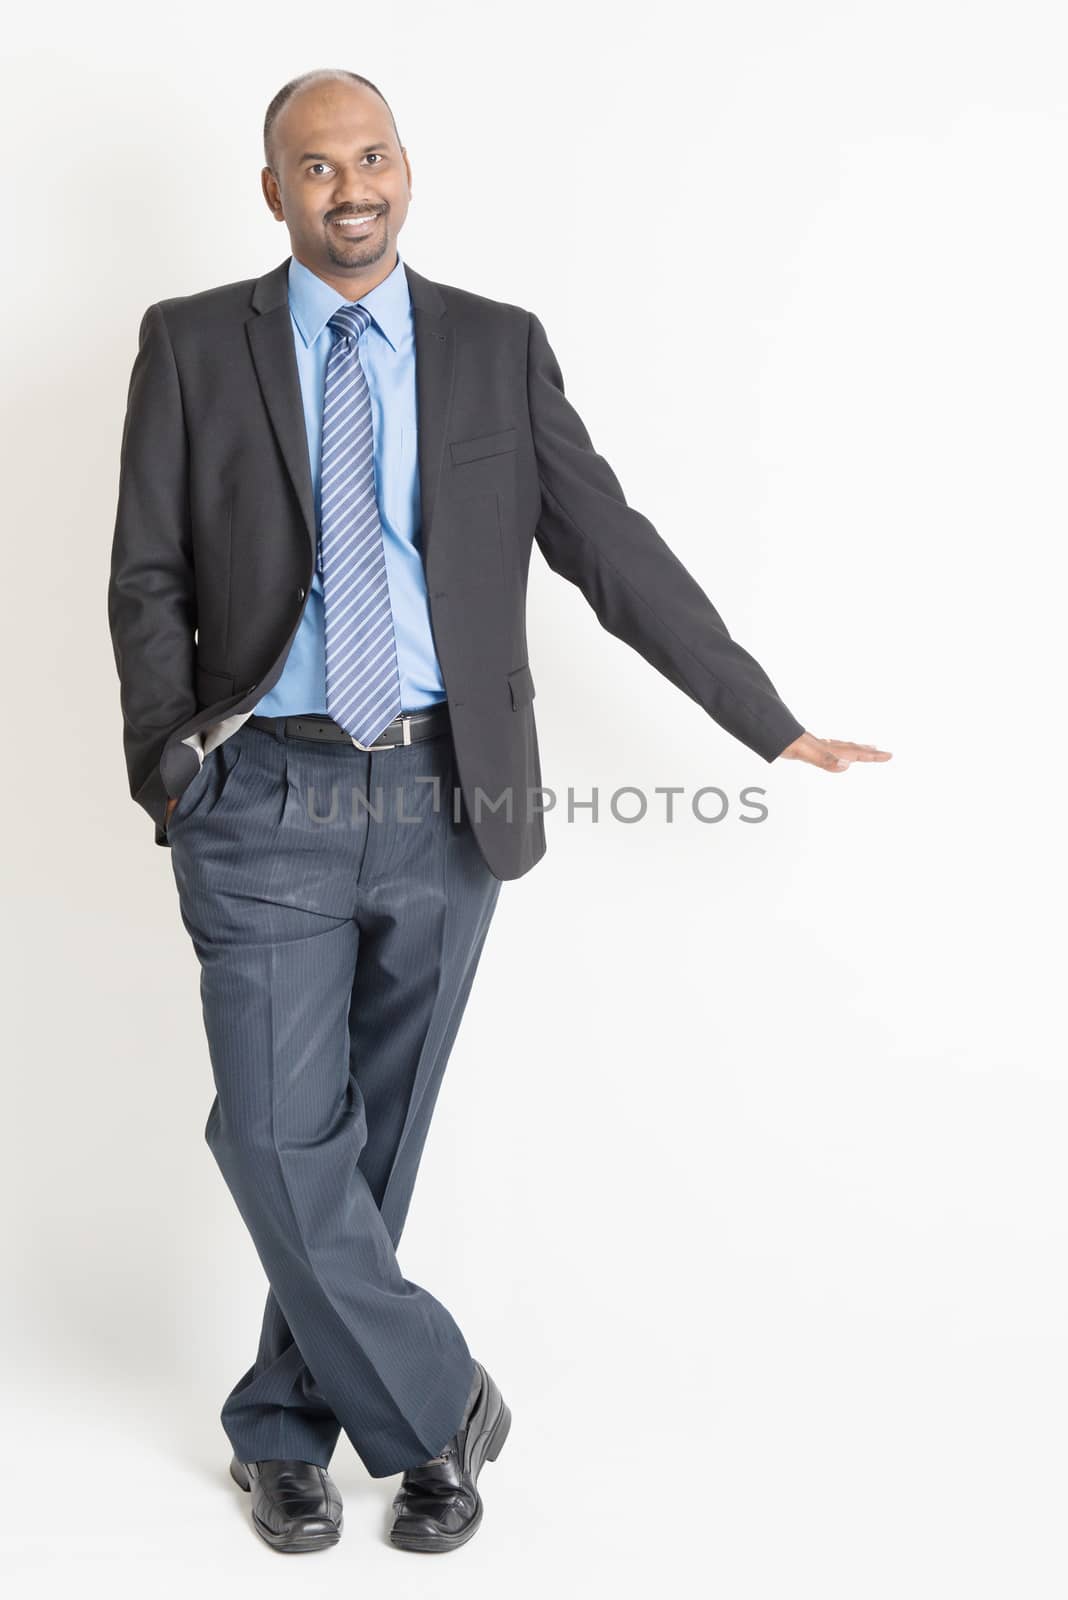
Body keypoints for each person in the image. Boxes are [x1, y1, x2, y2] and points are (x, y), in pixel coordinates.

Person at [107, 66, 891, 1557]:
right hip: (261, 789)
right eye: (317, 166)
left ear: (408, 168)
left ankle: (285, 1433)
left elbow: (610, 545)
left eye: (376, 156)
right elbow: (145, 566)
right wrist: (169, 761)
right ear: (271, 190)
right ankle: (441, 1404)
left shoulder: (494, 349)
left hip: (447, 794)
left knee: (373, 1146)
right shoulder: (195, 342)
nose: (353, 188)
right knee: (279, 1139)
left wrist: (763, 716)